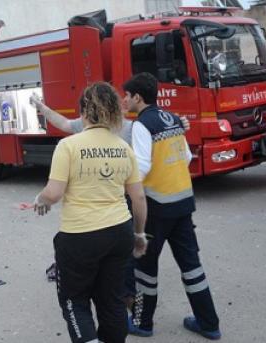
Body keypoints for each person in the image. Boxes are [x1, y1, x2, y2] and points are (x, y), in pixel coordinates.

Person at [30, 87, 191, 308]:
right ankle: (121, 299)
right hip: (121, 208)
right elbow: (64, 123)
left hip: (99, 209)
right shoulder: (105, 126)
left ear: (88, 110)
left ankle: (124, 297)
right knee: (118, 257)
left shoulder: (133, 128)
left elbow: (53, 189)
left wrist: (181, 122)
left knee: (109, 263)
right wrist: (42, 107)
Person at [33, 82, 148, 343]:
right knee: (112, 301)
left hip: (80, 237)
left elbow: (53, 193)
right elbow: (138, 197)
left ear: (84, 111)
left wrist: (40, 200)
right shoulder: (123, 147)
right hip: (120, 233)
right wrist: (139, 234)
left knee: (75, 300)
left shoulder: (69, 146)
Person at [121, 73, 221, 340]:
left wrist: (123, 189)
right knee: (192, 265)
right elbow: (186, 156)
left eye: (127, 96)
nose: (124, 100)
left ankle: (142, 323)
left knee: (144, 269)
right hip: (183, 204)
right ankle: (209, 323)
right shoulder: (172, 119)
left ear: (138, 97)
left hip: (156, 209)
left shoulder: (142, 124)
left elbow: (141, 167)